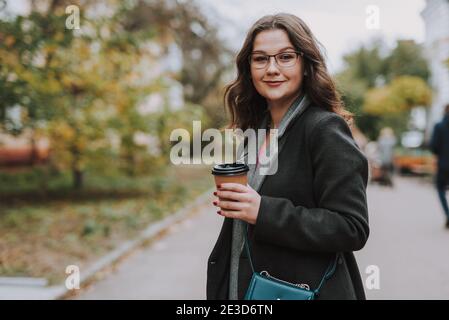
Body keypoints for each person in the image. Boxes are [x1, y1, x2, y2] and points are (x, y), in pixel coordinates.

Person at [208, 13, 369, 300]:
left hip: (301, 291)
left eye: (285, 57)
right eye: (260, 59)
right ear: (249, 68)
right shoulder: (256, 130)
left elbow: (351, 227)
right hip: (250, 289)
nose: (271, 68)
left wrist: (263, 211)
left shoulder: (324, 129)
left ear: (306, 65)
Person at [430, 104, 449, 228]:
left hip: (443, 164)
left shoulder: (439, 126)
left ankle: (448, 213)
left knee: (440, 189)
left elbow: (433, 146)